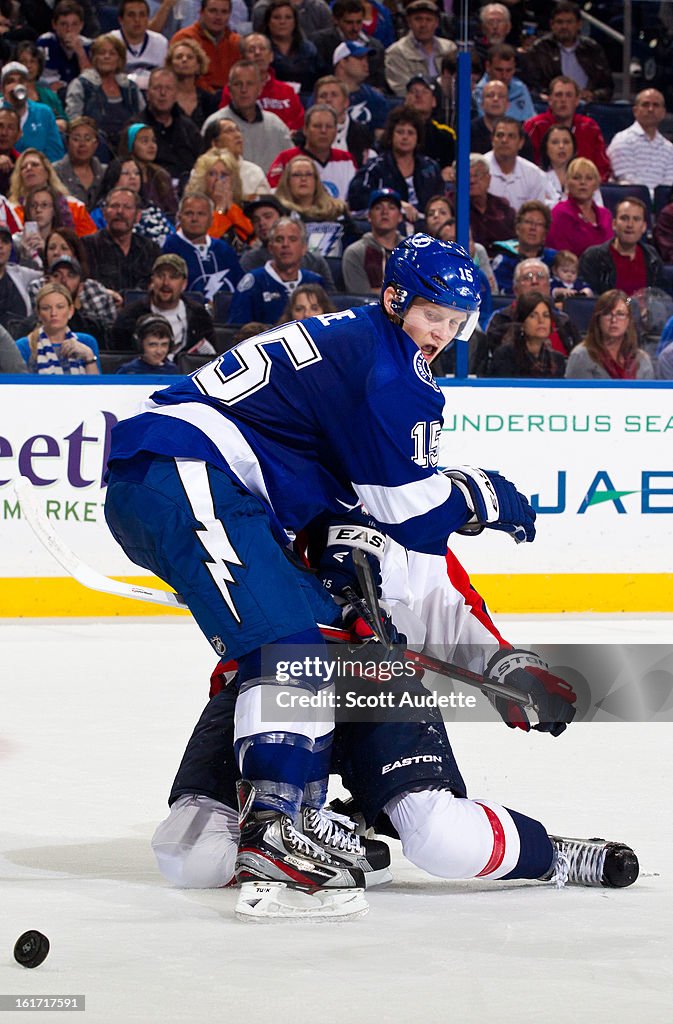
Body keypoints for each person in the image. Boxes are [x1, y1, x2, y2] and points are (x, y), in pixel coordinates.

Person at [103, 233, 546, 919]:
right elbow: (413, 517)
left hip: (181, 480)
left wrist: (490, 659)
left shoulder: (354, 351)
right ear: (394, 298)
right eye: (434, 314)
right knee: (291, 644)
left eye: (456, 324)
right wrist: (481, 498)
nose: (442, 334)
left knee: (302, 632)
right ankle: (277, 829)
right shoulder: (390, 375)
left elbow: (390, 526)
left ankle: (287, 819)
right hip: (183, 471)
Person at [481, 257, 579, 373]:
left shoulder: (564, 320)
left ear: (548, 287)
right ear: (515, 289)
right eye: (527, 277)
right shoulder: (500, 319)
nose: (534, 281)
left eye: (540, 276)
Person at [109, 252, 216, 357]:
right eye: (160, 276)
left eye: (173, 277)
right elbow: (119, 358)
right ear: (152, 281)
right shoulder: (130, 316)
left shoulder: (199, 315)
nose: (166, 283)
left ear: (184, 284)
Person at [347, 106, 444, 221]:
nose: (405, 137)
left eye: (410, 133)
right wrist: (394, 203)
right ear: (391, 136)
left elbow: (440, 200)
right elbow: (356, 198)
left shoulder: (430, 168)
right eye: (400, 132)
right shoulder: (374, 168)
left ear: (418, 138)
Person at [227, 216, 326, 323]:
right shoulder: (254, 282)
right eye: (279, 239)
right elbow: (237, 329)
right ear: (270, 248)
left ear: (303, 248)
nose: (285, 245)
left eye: (292, 239)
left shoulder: (315, 281)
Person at [202, 60, 292, 175]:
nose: (244, 90)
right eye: (238, 84)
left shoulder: (276, 125)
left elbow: (291, 165)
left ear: (260, 89)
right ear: (229, 90)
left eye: (250, 84)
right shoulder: (214, 124)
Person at [65, 34, 145, 158]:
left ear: (119, 59)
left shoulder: (131, 88)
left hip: (127, 149)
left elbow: (142, 119)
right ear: (94, 58)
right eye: (102, 53)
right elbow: (74, 120)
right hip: (94, 148)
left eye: (112, 53)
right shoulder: (81, 84)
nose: (106, 57)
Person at [521, 0, 613, 103]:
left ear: (579, 24)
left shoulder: (592, 48)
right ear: (552, 25)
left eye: (569, 22)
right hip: (553, 104)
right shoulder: (540, 48)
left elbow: (607, 87)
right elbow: (533, 86)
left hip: (587, 104)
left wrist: (592, 95)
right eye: (560, 22)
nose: (564, 27)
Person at [523, 76, 611, 183]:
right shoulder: (535, 125)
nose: (563, 100)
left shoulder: (589, 127)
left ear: (577, 101)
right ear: (549, 100)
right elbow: (524, 165)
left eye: (569, 95)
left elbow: (603, 168)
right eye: (558, 95)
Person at [28, 227, 119, 329]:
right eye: (52, 248)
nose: (56, 253)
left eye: (64, 248)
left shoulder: (93, 289)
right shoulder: (37, 287)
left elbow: (109, 330)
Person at [239, 194, 334, 286]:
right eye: (256, 220)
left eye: (268, 216)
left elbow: (332, 299)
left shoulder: (314, 261)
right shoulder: (249, 261)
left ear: (282, 218)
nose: (261, 223)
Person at [578, 198, 665, 298]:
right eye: (624, 218)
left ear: (644, 227)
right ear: (614, 224)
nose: (630, 225)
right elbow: (587, 301)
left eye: (636, 219)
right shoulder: (593, 257)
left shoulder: (652, 257)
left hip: (646, 313)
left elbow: (661, 297)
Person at [218, 32, 305, 133]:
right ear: (243, 58)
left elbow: (300, 124)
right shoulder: (234, 90)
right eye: (251, 50)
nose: (257, 53)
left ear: (271, 56)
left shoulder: (287, 91)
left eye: (262, 49)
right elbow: (225, 122)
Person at [162, 190, 242, 298]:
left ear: (211, 220)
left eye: (201, 214)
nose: (195, 219)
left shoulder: (224, 250)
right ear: (179, 217)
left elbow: (241, 286)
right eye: (189, 213)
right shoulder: (169, 247)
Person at [267, 104, 357, 199]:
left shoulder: (347, 159)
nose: (323, 131)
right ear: (305, 129)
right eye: (317, 126)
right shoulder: (286, 158)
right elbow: (274, 195)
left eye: (329, 126)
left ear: (335, 130)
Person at [82, 186, 161, 292]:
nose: (120, 211)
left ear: (138, 216)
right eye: (114, 206)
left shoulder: (150, 249)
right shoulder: (87, 246)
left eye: (127, 207)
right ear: (104, 213)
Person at [273, 155, 354, 257]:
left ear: (316, 180)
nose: (303, 179)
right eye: (297, 175)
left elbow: (353, 242)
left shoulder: (337, 209)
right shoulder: (279, 211)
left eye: (309, 174)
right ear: (287, 181)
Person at [565, 289, 654, 380]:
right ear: (598, 319)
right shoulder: (581, 356)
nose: (614, 320)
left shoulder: (642, 360)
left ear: (629, 320)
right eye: (607, 314)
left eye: (620, 314)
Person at [15, 280, 100, 374]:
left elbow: (97, 386)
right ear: (38, 314)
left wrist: (89, 356)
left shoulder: (87, 342)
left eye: (60, 307)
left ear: (71, 311)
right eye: (46, 308)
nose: (53, 313)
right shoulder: (23, 346)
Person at [7, 149, 96, 237]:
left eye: (35, 165)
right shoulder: (11, 210)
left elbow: (89, 242)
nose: (29, 168)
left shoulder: (75, 206)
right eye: (23, 167)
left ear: (47, 172)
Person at [138, 68, 204, 184]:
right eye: (157, 88)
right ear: (147, 94)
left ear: (176, 95)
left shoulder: (189, 128)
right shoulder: (136, 127)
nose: (163, 93)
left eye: (168, 88)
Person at [93, 158, 175, 246]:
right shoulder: (101, 213)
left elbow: (172, 236)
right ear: (113, 178)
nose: (133, 177)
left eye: (137, 173)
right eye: (126, 173)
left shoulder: (153, 209)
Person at [384, 0, 456, 98]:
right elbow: (401, 90)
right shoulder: (396, 52)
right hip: (415, 109)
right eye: (418, 19)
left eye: (429, 20)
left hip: (447, 105)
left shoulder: (449, 48)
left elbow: (457, 84)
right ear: (409, 22)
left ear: (436, 23)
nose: (423, 25)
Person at [607, 89, 673, 193]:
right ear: (635, 111)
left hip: (662, 205)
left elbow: (668, 186)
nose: (651, 109)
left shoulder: (669, 149)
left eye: (656, 105)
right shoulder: (622, 140)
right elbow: (626, 180)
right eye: (645, 104)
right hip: (629, 201)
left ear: (663, 113)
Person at [487, 291, 567, 378]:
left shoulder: (557, 360)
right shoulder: (505, 356)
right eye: (533, 316)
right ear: (522, 323)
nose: (541, 321)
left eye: (546, 315)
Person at [546, 157, 613, 257]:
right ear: (567, 183)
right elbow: (560, 257)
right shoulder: (559, 214)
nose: (583, 182)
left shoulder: (605, 215)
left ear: (596, 184)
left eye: (589, 178)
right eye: (576, 178)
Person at [170, 0, 241, 94]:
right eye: (213, 11)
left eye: (224, 12)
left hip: (231, 98)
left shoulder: (237, 42)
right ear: (201, 12)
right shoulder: (185, 38)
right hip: (197, 97)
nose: (218, 17)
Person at [185, 149, 253, 248]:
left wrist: (230, 208)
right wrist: (220, 209)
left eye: (224, 175)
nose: (218, 180)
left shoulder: (245, 208)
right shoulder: (191, 210)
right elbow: (203, 242)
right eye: (212, 174)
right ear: (203, 178)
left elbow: (251, 239)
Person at [342, 187, 404, 293]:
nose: (385, 212)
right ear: (369, 216)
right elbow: (361, 297)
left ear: (400, 217)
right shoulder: (355, 253)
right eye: (378, 208)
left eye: (391, 207)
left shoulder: (412, 251)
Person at [1, 61, 65, 163]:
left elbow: (56, 155)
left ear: (28, 86)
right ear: (2, 89)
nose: (16, 86)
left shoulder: (44, 113)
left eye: (21, 81)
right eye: (10, 81)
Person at [484, 116, 552, 212]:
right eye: (500, 135)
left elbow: (536, 213)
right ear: (492, 140)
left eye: (511, 136)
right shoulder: (479, 169)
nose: (504, 140)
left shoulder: (533, 174)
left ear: (521, 142)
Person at [312, 0, 385, 88]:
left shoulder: (375, 46)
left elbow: (379, 82)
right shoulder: (320, 42)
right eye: (349, 22)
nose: (355, 28)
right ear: (335, 20)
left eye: (359, 22)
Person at [491, 200, 556, 294]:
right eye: (528, 222)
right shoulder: (504, 261)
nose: (533, 228)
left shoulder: (554, 259)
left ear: (545, 234)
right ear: (517, 228)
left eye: (539, 224)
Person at [313, 75, 375, 169]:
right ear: (316, 103)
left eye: (334, 95)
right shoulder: (306, 135)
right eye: (323, 96)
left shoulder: (362, 133)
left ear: (346, 102)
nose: (328, 100)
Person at [202, 117, 271, 200]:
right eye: (229, 131)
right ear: (215, 143)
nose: (237, 135)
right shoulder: (201, 172)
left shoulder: (254, 172)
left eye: (238, 130)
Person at [119, 122, 178, 218]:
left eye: (154, 141)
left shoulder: (161, 175)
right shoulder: (119, 174)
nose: (152, 146)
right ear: (130, 145)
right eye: (144, 141)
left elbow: (173, 211)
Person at [403, 75, 456, 179]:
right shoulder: (395, 132)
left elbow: (450, 167)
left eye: (424, 92)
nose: (418, 95)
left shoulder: (445, 136)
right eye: (413, 91)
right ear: (406, 99)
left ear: (434, 101)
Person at [464, 152, 516, 258]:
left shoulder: (502, 206)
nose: (472, 180)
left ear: (488, 178)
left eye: (477, 175)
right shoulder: (452, 206)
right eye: (467, 176)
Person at [262, 0, 320, 94]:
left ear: (295, 22)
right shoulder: (260, 49)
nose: (282, 22)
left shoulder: (309, 49)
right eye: (276, 17)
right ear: (268, 22)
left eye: (288, 17)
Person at [110, 0, 168, 93]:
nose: (137, 20)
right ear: (121, 20)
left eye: (142, 15)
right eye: (131, 15)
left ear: (148, 18)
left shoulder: (161, 42)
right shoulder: (110, 41)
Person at [333, 38, 388, 134]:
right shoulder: (324, 95)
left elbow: (381, 136)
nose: (365, 63)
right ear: (342, 62)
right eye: (359, 58)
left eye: (366, 59)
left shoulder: (376, 98)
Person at [36, 0, 92, 92]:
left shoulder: (88, 45)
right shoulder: (46, 41)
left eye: (74, 24)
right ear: (54, 25)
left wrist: (80, 52)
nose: (69, 30)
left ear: (81, 25)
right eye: (63, 24)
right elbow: (48, 81)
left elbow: (90, 82)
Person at [53, 117, 107, 211]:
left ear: (96, 144)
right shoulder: (54, 172)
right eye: (76, 139)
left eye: (87, 139)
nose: (82, 144)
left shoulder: (106, 172)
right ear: (67, 142)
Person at [164, 36, 218, 128]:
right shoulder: (164, 97)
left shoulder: (208, 99)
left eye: (190, 57)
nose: (184, 60)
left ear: (198, 65)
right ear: (170, 65)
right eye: (179, 57)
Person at [473, 43, 535, 123]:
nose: (504, 76)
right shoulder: (477, 91)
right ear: (488, 66)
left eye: (509, 70)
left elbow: (531, 120)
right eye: (499, 70)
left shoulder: (521, 89)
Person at [0, 223, 42, 338]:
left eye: (5, 241)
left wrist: (41, 251)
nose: (1, 246)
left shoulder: (20, 274)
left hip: (21, 343)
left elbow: (49, 274)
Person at [14, 41, 67, 127]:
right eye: (23, 61)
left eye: (33, 61)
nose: (28, 65)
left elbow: (64, 121)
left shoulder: (50, 96)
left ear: (39, 65)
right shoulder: (6, 96)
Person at [115, 312, 182, 375]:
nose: (159, 351)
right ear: (140, 345)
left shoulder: (173, 371)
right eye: (153, 345)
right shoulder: (127, 372)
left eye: (164, 344)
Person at [0, 107, 21, 195]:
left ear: (18, 135)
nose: (4, 133)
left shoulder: (22, 164)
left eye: (10, 128)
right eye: (0, 126)